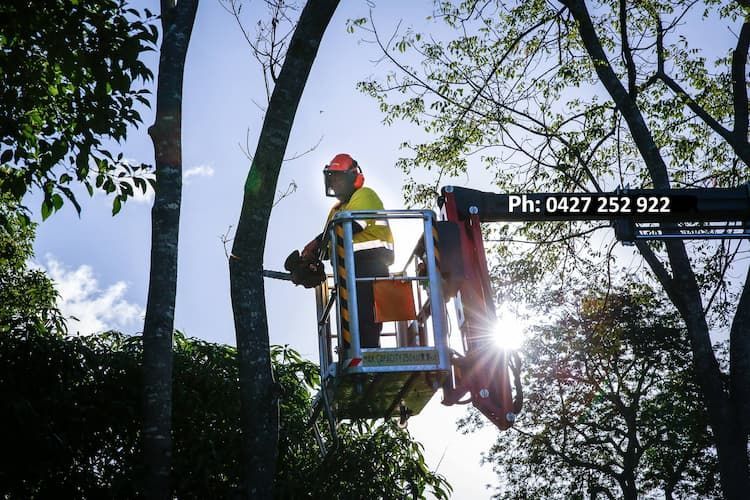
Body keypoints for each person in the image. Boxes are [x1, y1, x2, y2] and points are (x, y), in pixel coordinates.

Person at [302, 153, 394, 349]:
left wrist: (315, 243)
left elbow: (351, 226)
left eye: (338, 177)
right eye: (331, 178)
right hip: (347, 270)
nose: (334, 183)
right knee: (350, 321)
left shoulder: (365, 195)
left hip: (371, 265)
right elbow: (329, 245)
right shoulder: (336, 210)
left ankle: (368, 354)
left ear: (353, 177)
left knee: (365, 318)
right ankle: (352, 351)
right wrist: (311, 261)